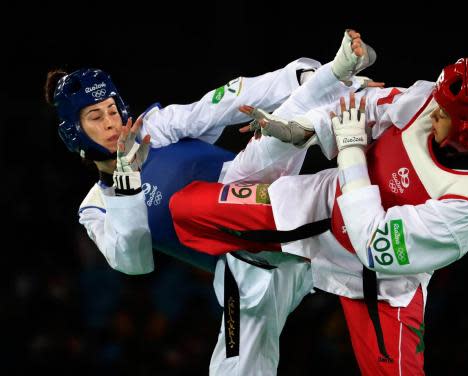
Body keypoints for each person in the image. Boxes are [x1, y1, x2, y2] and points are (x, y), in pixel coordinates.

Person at [169, 50, 468, 374]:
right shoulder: (428, 99)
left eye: (444, 113)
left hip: (382, 283)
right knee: (186, 209)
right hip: (318, 208)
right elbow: (367, 108)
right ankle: (288, 268)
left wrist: (352, 151)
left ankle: (288, 270)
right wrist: (302, 129)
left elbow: (373, 245)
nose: (431, 110)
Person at [45, 29, 381, 375]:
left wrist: (308, 80)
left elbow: (220, 103)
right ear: (75, 132)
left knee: (273, 134)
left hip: (252, 188)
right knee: (234, 369)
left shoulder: (153, 128)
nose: (112, 123)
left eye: (112, 110)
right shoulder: (96, 206)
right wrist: (125, 182)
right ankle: (332, 86)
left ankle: (338, 81)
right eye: (96, 117)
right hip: (247, 267)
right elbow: (134, 261)